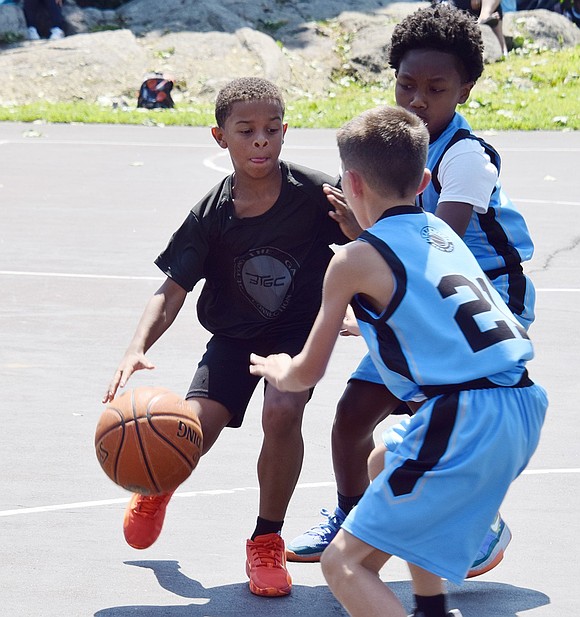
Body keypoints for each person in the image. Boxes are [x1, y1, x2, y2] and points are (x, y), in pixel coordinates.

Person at [250, 104, 547, 617]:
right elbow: (443, 309)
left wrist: (279, 368)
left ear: (352, 182)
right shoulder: (441, 230)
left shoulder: (352, 259)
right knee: (385, 458)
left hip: (467, 416)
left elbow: (307, 373)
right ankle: (432, 606)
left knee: (343, 565)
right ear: (425, 179)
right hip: (522, 402)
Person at [287, 3, 536, 579]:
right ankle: (352, 517)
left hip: (482, 302)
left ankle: (480, 523)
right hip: (413, 302)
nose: (418, 100)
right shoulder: (393, 144)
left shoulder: (466, 156)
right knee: (352, 417)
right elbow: (394, 243)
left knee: (443, 426)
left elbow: (430, 240)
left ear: (465, 90)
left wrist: (363, 245)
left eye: (436, 88)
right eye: (406, 85)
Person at [102, 76, 360, 598]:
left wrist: (359, 258)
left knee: (283, 411)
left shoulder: (315, 194)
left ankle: (266, 540)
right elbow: (171, 289)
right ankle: (159, 483)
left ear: (285, 132)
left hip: (293, 339)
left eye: (270, 129)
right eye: (246, 131)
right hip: (234, 339)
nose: (260, 140)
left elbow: (375, 239)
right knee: (187, 431)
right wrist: (136, 348)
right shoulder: (212, 213)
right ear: (220, 137)